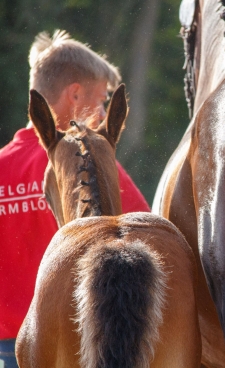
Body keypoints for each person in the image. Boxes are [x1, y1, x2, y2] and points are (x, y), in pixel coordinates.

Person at [0, 30, 150, 367]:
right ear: (75, 95)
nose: (101, 111)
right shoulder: (90, 165)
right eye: (100, 101)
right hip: (77, 339)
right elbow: (142, 229)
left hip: (8, 347)